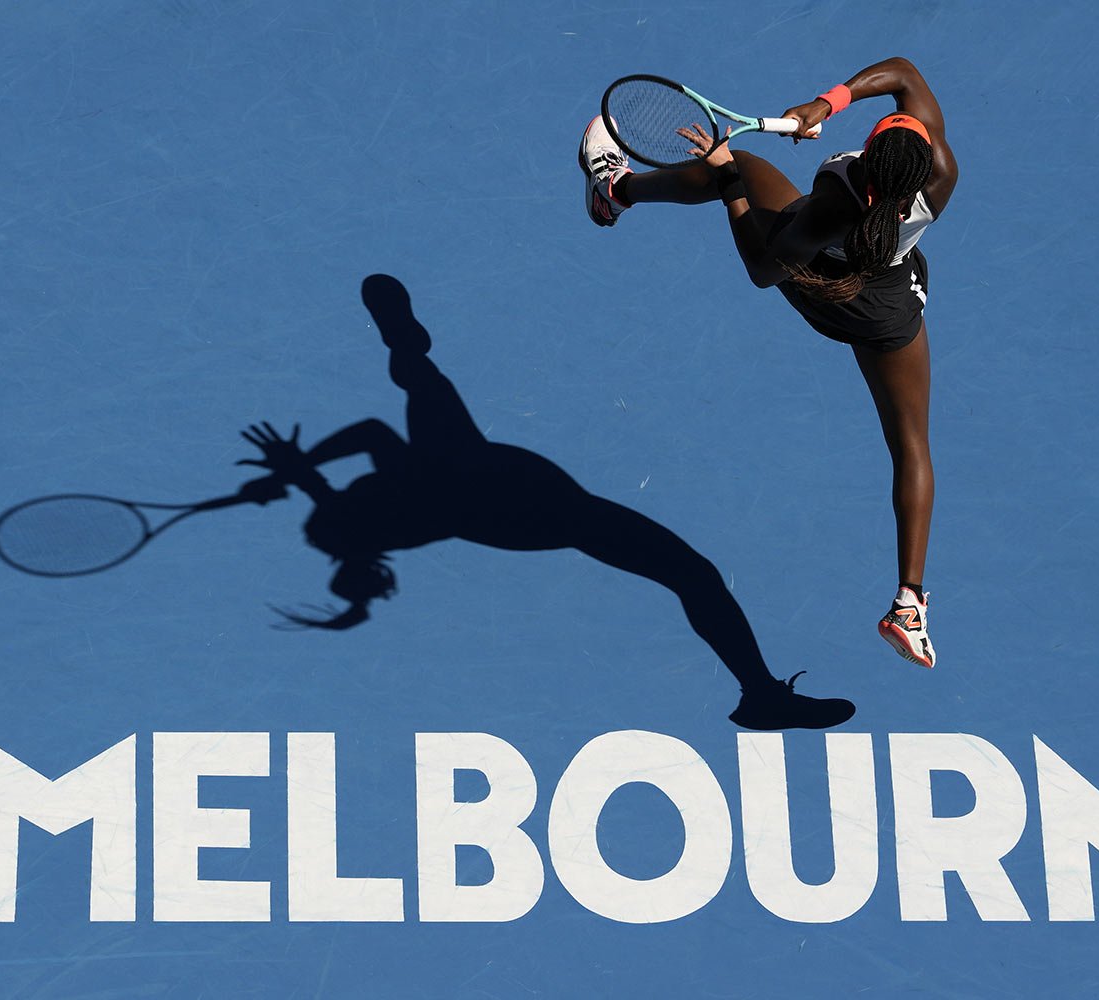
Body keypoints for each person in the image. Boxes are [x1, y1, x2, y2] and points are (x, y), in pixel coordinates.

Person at [235, 274, 855, 730]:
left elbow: (356, 480)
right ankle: (762, 696)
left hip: (501, 497)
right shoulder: (399, 498)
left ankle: (761, 694)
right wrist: (298, 469)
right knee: (690, 573)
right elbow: (368, 438)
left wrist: (298, 475)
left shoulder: (388, 517)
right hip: (511, 495)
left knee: (689, 574)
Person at [578, 57, 957, 669]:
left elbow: (765, 269)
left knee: (735, 165)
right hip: (891, 306)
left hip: (820, 284)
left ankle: (615, 191)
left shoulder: (834, 200)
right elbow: (909, 76)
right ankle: (909, 602)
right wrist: (824, 104)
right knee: (912, 445)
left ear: (868, 157)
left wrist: (729, 177)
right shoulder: (940, 172)